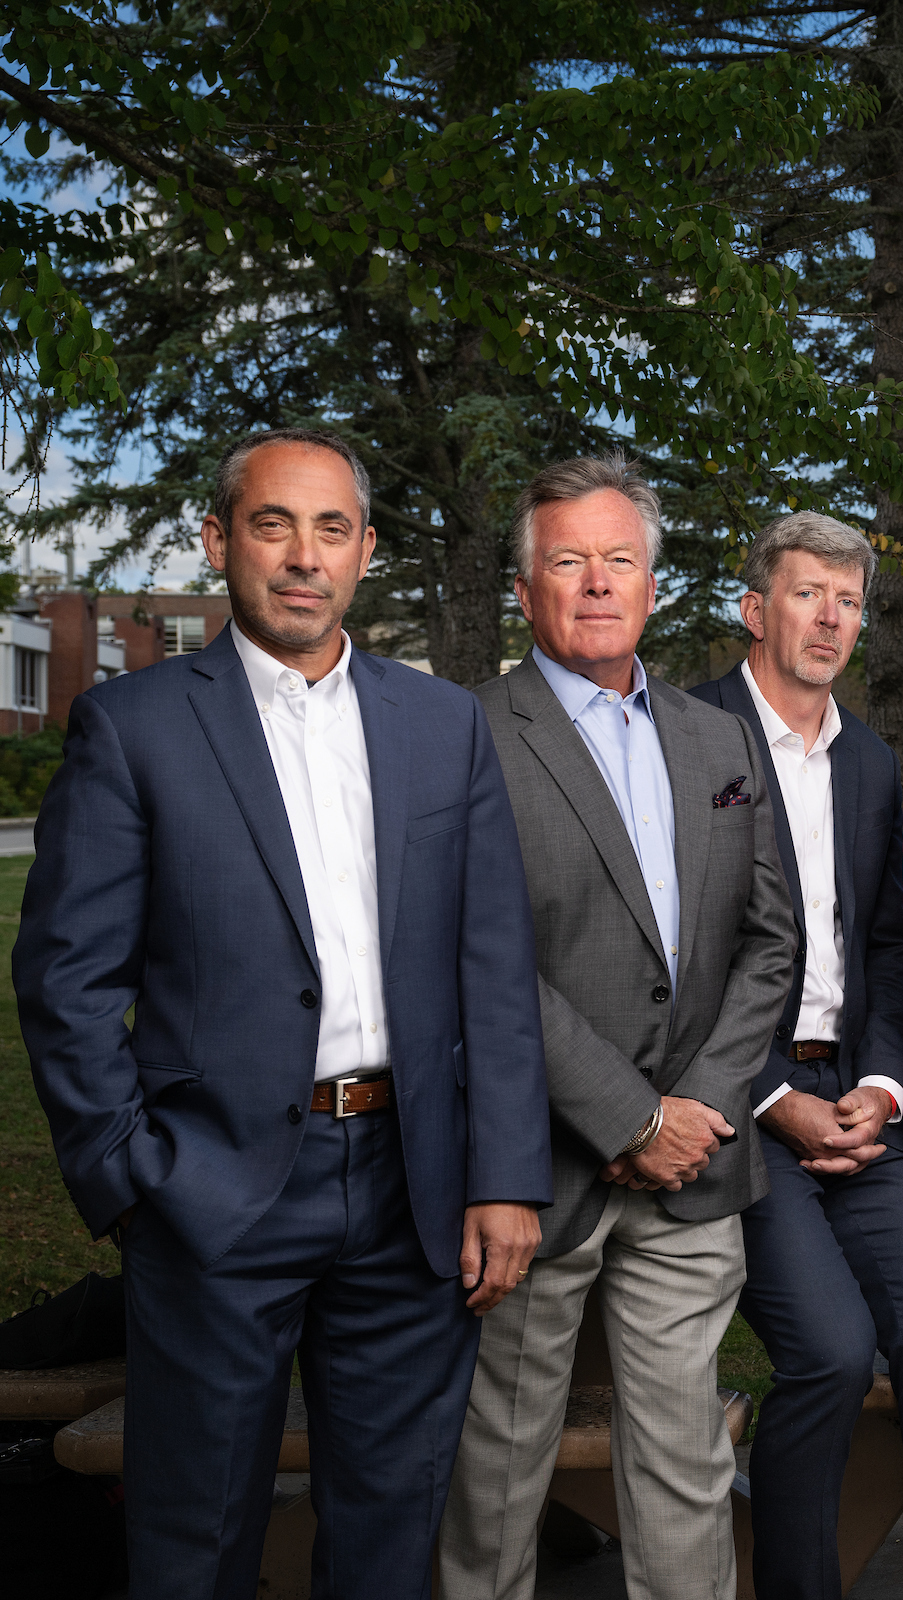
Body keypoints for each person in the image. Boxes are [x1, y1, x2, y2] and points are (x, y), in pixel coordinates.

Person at [13, 428, 551, 1599]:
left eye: (330, 528)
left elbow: (494, 966)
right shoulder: (137, 726)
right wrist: (132, 1178)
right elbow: (64, 978)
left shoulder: (440, 724)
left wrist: (505, 1173)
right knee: (194, 1542)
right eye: (273, 524)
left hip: (414, 1193)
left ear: (364, 550)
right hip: (214, 1191)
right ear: (220, 542)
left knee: (387, 1542)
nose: (303, 556)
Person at [439, 456, 797, 1600]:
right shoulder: (465, 736)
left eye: (620, 559)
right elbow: (474, 956)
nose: (597, 583)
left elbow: (772, 941)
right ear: (523, 586)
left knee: (687, 1459)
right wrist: (628, 1114)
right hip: (535, 1168)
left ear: (655, 581)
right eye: (567, 561)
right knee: (498, 1471)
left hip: (697, 1164)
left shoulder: (720, 740)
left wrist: (694, 1111)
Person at [686, 512, 903, 1600]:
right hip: (741, 1102)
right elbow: (671, 964)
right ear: (753, 608)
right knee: (829, 1352)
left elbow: (889, 942)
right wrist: (773, 1094)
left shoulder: (876, 763)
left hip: (860, 1095)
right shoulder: (686, 740)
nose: (830, 617)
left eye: (848, 599)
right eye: (805, 593)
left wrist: (882, 1084)